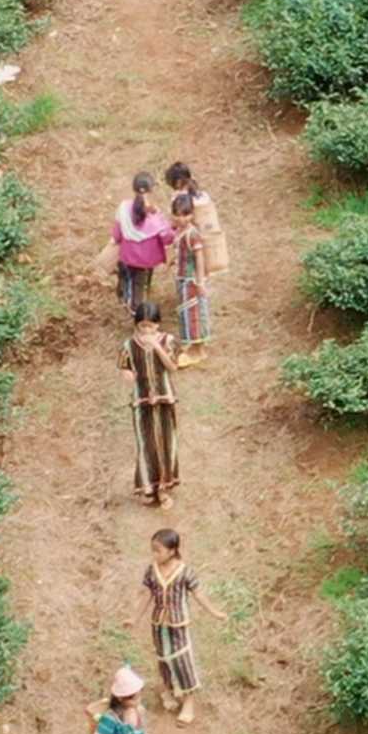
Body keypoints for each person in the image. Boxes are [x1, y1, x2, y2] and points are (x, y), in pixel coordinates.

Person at [142, 527, 205, 725]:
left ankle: (188, 703)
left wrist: (215, 611)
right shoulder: (152, 570)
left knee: (182, 659)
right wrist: (133, 618)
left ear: (171, 551)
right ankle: (168, 690)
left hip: (178, 624)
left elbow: (198, 594)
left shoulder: (184, 572)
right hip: (159, 624)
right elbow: (146, 595)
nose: (154, 554)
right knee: (163, 658)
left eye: (158, 550)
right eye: (153, 550)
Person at [127, 307, 181, 507]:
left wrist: (156, 347)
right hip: (141, 402)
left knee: (166, 443)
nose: (146, 330)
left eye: (150, 325)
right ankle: (148, 487)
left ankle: (164, 488)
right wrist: (128, 376)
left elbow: (173, 366)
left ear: (158, 325)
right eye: (142, 326)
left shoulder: (168, 341)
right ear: (137, 325)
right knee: (146, 444)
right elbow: (125, 368)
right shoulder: (129, 346)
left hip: (164, 399)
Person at [109, 173, 176, 320]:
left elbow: (117, 232)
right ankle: (136, 310)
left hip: (127, 255)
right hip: (147, 260)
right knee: (140, 282)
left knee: (128, 276)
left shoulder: (123, 207)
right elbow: (167, 237)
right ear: (151, 191)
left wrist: (115, 240)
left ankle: (126, 298)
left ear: (134, 189)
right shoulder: (154, 215)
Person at [167, 190, 214, 367]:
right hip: (182, 280)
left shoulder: (192, 234)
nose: (182, 218)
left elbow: (199, 257)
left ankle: (198, 350)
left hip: (191, 281)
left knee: (194, 316)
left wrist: (200, 281)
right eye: (178, 215)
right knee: (187, 315)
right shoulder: (180, 232)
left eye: (185, 214)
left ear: (192, 214)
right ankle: (195, 348)